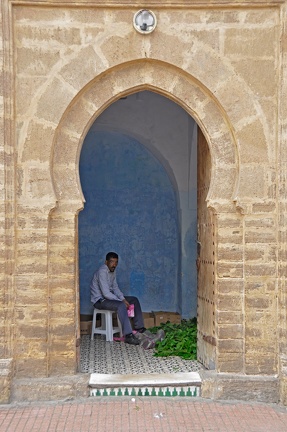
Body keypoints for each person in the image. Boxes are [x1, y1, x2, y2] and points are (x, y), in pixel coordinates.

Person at [90, 252, 147, 345]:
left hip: (108, 299)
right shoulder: (102, 272)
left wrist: (123, 299)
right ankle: (128, 335)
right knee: (121, 305)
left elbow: (115, 288)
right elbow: (106, 294)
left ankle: (139, 328)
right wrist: (122, 301)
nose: (114, 264)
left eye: (116, 262)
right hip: (100, 301)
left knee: (134, 300)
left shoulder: (112, 271)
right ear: (106, 262)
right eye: (112, 262)